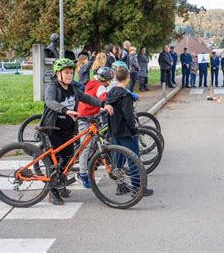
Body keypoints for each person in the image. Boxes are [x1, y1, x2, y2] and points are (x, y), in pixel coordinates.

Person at [40, 58, 113, 205]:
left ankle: (60, 186)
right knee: (55, 162)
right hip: (53, 128)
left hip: (67, 128)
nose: (69, 75)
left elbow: (86, 97)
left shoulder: (73, 88)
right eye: (66, 72)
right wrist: (66, 110)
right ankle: (53, 193)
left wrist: (103, 104)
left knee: (67, 159)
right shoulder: (52, 87)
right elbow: (50, 102)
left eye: (71, 73)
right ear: (58, 73)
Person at [106, 66, 154, 197]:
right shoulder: (126, 95)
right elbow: (128, 116)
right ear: (127, 78)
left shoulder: (110, 93)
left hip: (115, 131)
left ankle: (121, 185)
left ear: (115, 78)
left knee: (118, 160)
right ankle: (137, 188)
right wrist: (134, 130)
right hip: (126, 132)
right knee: (133, 159)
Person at [76, 67, 114, 188]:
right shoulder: (100, 86)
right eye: (109, 80)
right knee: (85, 147)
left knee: (93, 143)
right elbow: (104, 97)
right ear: (104, 79)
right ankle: (82, 174)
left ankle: (90, 165)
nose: (109, 82)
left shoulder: (92, 82)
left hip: (91, 116)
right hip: (85, 118)